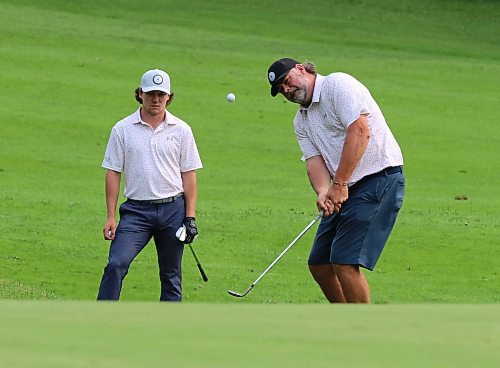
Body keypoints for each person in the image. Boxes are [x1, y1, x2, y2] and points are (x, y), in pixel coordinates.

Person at [267, 58, 405, 303]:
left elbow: (361, 131)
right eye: (280, 90)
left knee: (344, 260)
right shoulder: (301, 120)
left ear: (301, 69)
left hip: (379, 177)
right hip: (347, 187)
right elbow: (314, 161)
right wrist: (322, 191)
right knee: (319, 263)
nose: (286, 90)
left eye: (286, 81)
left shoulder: (337, 85)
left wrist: (339, 184)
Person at [97, 68, 203, 301]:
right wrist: (111, 216)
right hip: (136, 212)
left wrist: (190, 217)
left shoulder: (182, 130)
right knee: (116, 263)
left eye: (161, 94)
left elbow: (189, 175)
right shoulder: (123, 129)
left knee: (171, 275)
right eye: (151, 94)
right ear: (140, 94)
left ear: (169, 97)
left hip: (172, 210)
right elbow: (113, 172)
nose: (156, 99)